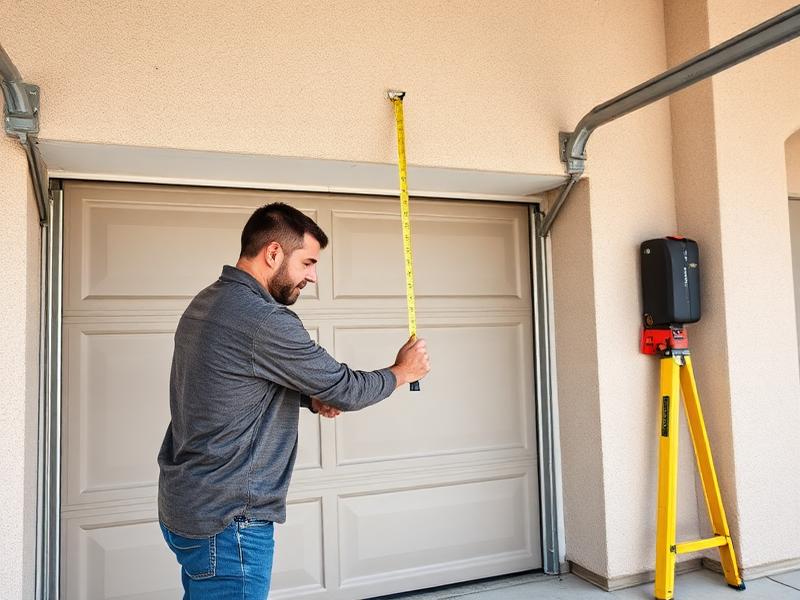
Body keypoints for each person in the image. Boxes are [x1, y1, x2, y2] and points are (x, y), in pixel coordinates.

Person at [157, 201, 430, 599]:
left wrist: (309, 397)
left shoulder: (208, 302)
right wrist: (402, 372)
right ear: (273, 252)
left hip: (189, 505)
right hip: (230, 520)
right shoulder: (263, 319)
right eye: (307, 263)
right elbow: (346, 388)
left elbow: (229, 380)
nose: (313, 277)